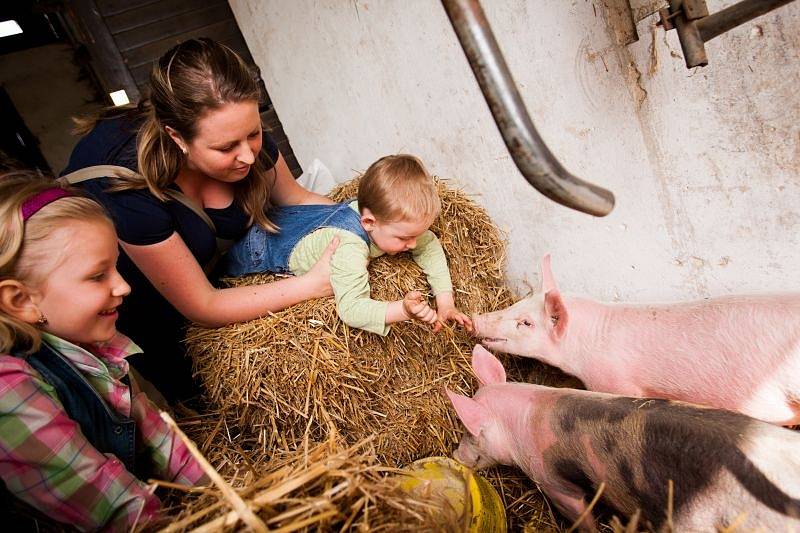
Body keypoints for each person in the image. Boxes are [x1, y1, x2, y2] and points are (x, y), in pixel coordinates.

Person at [62, 38, 337, 401]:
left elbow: (297, 199)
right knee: (205, 398)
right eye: (226, 148)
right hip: (146, 303)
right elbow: (202, 306)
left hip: (213, 276)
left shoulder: (236, 128)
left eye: (253, 134)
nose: (248, 156)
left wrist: (359, 222)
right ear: (176, 136)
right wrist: (313, 284)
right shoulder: (127, 188)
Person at [0, 171, 209, 531]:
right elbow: (113, 509)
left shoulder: (87, 340)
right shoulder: (8, 392)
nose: (124, 286)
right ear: (21, 300)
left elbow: (158, 437)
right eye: (98, 276)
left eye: (115, 267)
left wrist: (218, 493)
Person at [226, 154, 473, 336]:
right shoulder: (349, 249)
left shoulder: (381, 214)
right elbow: (352, 309)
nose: (414, 244)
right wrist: (403, 310)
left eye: (416, 235)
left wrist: (445, 303)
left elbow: (429, 245)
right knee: (226, 265)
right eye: (404, 238)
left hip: (292, 221)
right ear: (368, 222)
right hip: (257, 249)